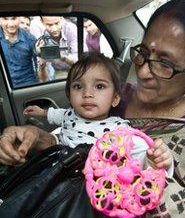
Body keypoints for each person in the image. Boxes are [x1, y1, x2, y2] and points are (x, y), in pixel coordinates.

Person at [0, 0, 185, 218]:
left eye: (165, 64)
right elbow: (79, 141)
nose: (142, 71)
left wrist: (134, 175)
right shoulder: (125, 95)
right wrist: (37, 138)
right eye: (143, 52)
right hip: (69, 206)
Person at [23, 52, 173, 173]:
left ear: (115, 99)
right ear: (69, 95)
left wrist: (154, 160)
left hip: (84, 187)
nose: (87, 93)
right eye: (78, 86)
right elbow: (57, 115)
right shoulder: (70, 114)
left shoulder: (119, 131)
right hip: (52, 169)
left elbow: (140, 153)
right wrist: (43, 112)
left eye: (99, 86)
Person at [36, 16, 78, 80]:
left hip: (75, 69)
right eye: (49, 25)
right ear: (42, 22)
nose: (54, 29)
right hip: (57, 72)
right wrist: (42, 65)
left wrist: (61, 56)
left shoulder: (71, 29)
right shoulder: (42, 39)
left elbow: (79, 61)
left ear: (61, 18)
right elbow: (43, 79)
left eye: (57, 23)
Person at [0, 17, 38, 87]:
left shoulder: (30, 38)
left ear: (19, 18)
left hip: (27, 82)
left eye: (14, 18)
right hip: (4, 83)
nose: (11, 24)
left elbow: (39, 63)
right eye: (5, 19)